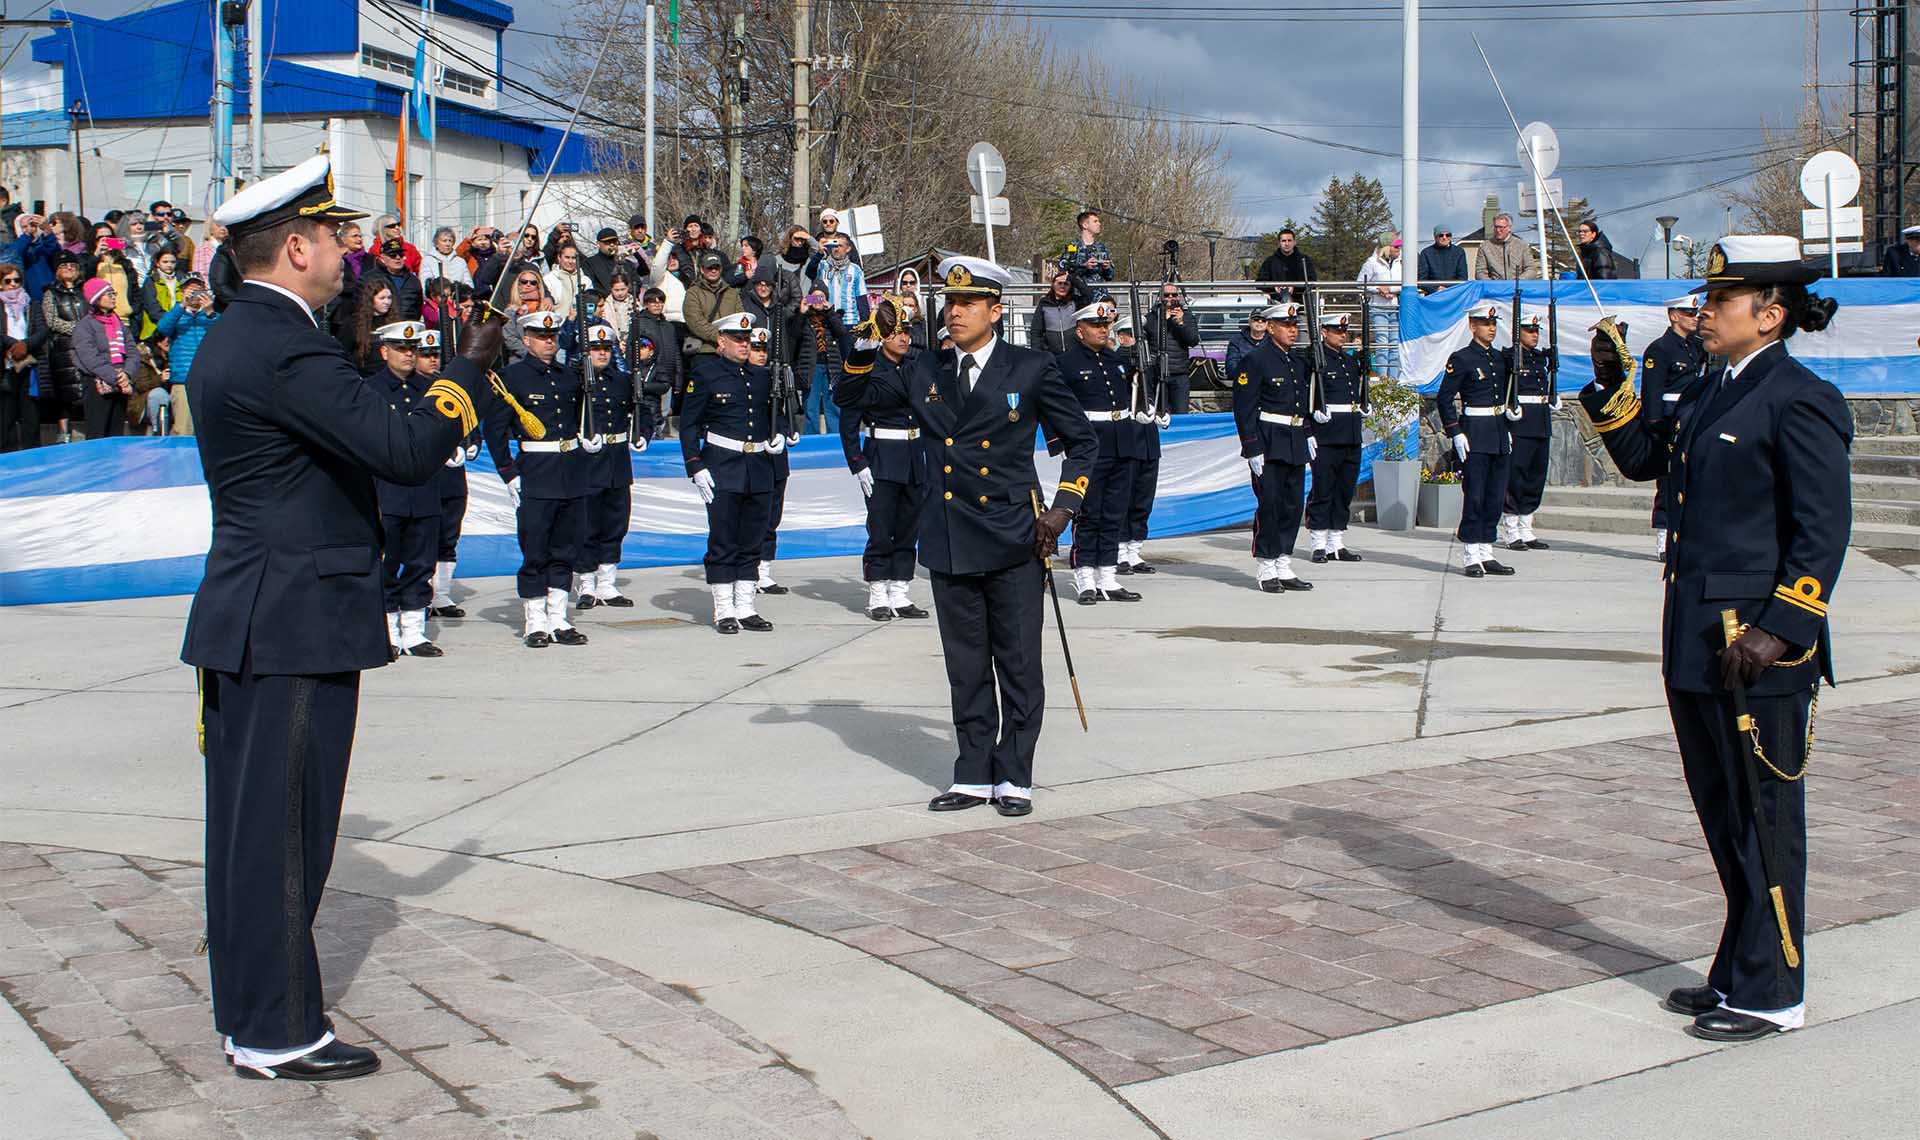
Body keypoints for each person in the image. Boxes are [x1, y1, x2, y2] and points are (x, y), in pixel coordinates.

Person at [184, 154, 495, 1082]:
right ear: (293, 248)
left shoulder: (247, 333)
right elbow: (401, 447)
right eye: (333, 237)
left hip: (264, 610)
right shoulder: (285, 344)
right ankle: (276, 1029)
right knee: (283, 837)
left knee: (255, 832)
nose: (346, 254)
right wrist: (466, 373)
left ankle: (254, 1012)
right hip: (291, 618)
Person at [1579, 235, 1850, 1043]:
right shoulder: (1711, 388)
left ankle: (1775, 992)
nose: (1704, 313)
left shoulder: (1799, 397)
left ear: (1769, 315)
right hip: (1698, 636)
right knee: (1725, 814)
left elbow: (1822, 530)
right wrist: (1611, 388)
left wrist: (1784, 627)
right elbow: (1644, 463)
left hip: (1757, 648)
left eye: (1721, 301)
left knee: (1766, 819)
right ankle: (1739, 966)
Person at [835, 257, 1097, 817]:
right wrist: (866, 341)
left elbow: (1082, 442)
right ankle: (973, 773)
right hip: (950, 536)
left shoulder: (1029, 367)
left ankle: (1015, 774)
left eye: (968, 304)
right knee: (967, 666)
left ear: (995, 312)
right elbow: (850, 399)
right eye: (950, 303)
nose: (955, 313)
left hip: (1014, 536)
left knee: (1018, 663)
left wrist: (1063, 509)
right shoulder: (924, 368)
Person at [485, 310, 591, 648]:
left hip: (570, 472)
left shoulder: (569, 376)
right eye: (541, 337)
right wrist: (508, 472)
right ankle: (535, 621)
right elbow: (495, 430)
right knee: (535, 549)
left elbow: (576, 419)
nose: (548, 341)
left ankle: (558, 618)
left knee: (565, 548)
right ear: (527, 340)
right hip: (535, 472)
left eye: (552, 336)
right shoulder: (512, 377)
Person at [681, 311, 778, 633]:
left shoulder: (761, 377)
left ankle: (745, 606)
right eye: (737, 339)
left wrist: (780, 435)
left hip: (758, 467)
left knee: (752, 539)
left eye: (747, 339)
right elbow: (689, 424)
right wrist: (695, 464)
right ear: (721, 342)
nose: (744, 344)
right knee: (723, 539)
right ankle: (724, 608)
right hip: (722, 466)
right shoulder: (706, 373)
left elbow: (772, 416)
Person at [837, 295, 928, 620]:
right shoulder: (869, 368)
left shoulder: (916, 367)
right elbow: (849, 419)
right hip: (882, 458)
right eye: (897, 332)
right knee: (881, 528)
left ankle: (900, 592)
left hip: (913, 457)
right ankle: (878, 593)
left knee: (908, 529)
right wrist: (857, 462)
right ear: (884, 335)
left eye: (907, 332)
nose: (904, 338)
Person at [364, 320, 447, 658]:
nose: (409, 354)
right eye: (401, 348)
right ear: (385, 351)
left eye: (413, 348)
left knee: (420, 562)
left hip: (424, 489)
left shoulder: (431, 389)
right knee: (386, 563)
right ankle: (387, 630)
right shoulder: (369, 390)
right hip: (387, 491)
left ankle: (414, 632)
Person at [1057, 300, 1147, 604]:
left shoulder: (1116, 360)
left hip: (1121, 442)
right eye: (1095, 325)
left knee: (1114, 512)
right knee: (1088, 513)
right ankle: (1085, 576)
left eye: (1105, 325)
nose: (1102, 330)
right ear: (1079, 330)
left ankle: (1107, 576)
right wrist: (1063, 444)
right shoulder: (1066, 363)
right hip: (1089, 444)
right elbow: (1055, 408)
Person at [1233, 302, 1317, 592]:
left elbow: (1301, 404)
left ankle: (1283, 562)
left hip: (1294, 439)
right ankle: (1266, 566)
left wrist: (1308, 433)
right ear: (1270, 327)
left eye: (1295, 326)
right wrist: (1252, 447)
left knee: (1292, 505)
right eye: (1286, 325)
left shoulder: (1296, 362)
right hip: (1269, 440)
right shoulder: (1255, 360)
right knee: (1270, 504)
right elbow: (1244, 409)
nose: (1293, 331)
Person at [1439, 301, 1515, 578]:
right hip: (1475, 434)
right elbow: (1445, 398)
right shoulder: (1462, 358)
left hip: (1498, 433)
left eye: (1493, 324)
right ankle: (1471, 554)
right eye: (1485, 323)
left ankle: (1486, 552)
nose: (1491, 328)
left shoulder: (1499, 359)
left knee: (1495, 496)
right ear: (1473, 326)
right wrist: (1456, 432)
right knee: (1475, 495)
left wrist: (1509, 421)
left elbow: (1505, 395)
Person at [572, 322, 640, 609]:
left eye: (606, 348)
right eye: (596, 348)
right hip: (587, 463)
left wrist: (643, 433)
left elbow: (641, 410)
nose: (602, 353)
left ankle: (607, 584)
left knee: (615, 523)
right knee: (588, 526)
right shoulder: (574, 381)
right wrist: (579, 437)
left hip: (617, 461)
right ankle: (587, 584)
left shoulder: (622, 381)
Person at [1639, 294, 1710, 561]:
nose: (1694, 318)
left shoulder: (1696, 346)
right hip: (1669, 420)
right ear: (1674, 316)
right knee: (1669, 479)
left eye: (1695, 314)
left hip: (1693, 417)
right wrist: (1654, 425)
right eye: (1688, 314)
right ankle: (1664, 537)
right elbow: (1652, 392)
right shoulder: (1660, 349)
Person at [417, 329, 477, 619]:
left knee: (449, 535)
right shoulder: (414, 391)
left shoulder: (451, 388)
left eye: (436, 354)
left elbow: (470, 421)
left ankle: (441, 594)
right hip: (426, 475)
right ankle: (422, 595)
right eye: (426, 354)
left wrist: (470, 445)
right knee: (423, 537)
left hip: (453, 475)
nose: (432, 359)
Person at [1305, 312, 1366, 563]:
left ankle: (1336, 542)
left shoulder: (1348, 362)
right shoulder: (1315, 359)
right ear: (1324, 332)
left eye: (1344, 331)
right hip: (1327, 435)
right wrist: (1310, 420)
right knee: (1323, 489)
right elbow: (1306, 395)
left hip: (1350, 433)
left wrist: (1363, 405)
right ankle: (1318, 542)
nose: (1342, 335)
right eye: (1337, 331)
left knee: (1344, 490)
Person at [1498, 311, 1560, 552]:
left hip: (1540, 422)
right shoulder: (1509, 357)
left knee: (1536, 477)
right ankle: (1511, 530)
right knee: (1516, 476)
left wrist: (1552, 398)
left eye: (1536, 331)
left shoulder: (1538, 358)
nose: (1534, 335)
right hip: (1521, 425)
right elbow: (1503, 390)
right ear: (1518, 332)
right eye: (1529, 331)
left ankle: (1526, 527)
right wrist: (1507, 412)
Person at [750, 322, 803, 596]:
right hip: (752, 457)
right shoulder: (741, 382)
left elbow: (783, 412)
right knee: (752, 518)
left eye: (763, 349)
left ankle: (763, 570)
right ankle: (747, 569)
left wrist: (786, 432)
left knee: (772, 516)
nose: (760, 354)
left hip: (776, 457)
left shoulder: (777, 377)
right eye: (755, 348)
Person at [1112, 316, 1165, 575]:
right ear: (1121, 337)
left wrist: (1160, 410)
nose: (1137, 341)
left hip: (1147, 437)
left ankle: (1134, 548)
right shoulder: (1115, 363)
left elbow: (1155, 391)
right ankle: (1119, 549)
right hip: (1127, 435)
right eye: (1132, 336)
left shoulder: (1150, 364)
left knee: (1143, 497)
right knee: (1124, 497)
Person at [74, 274, 140, 438]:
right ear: (97, 299)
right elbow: (89, 357)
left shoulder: (118, 323)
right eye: (109, 294)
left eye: (113, 294)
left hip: (120, 384)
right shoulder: (85, 326)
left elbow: (132, 351)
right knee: (98, 432)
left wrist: (127, 374)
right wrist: (115, 376)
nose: (113, 297)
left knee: (116, 433)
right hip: (98, 384)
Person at [41, 251, 88, 441]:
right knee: (65, 391)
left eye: (73, 266)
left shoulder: (84, 291)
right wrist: (77, 329)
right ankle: (64, 433)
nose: (69, 269)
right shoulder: (51, 293)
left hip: (85, 346)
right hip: (62, 348)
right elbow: (51, 320)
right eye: (64, 266)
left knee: (85, 387)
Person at [0, 262, 44, 450]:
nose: (13, 284)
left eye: (16, 280)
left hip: (29, 363)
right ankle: (6, 453)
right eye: (8, 281)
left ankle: (32, 453)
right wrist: (14, 345)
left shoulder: (31, 304)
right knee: (6, 414)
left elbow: (42, 330)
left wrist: (25, 345)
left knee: (30, 413)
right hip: (6, 365)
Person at [1143, 283, 1199, 414]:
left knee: (1181, 415)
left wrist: (1181, 323)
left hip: (1180, 374)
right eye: (1166, 295)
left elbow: (1193, 341)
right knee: (1159, 415)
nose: (1170, 298)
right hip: (1157, 374)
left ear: (1178, 297)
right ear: (1161, 297)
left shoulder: (1187, 316)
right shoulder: (1151, 317)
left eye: (1174, 295)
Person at [682, 250, 742, 357]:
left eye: (716, 267)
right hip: (704, 351)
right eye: (709, 268)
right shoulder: (693, 292)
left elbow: (740, 318)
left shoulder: (732, 293)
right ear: (702, 269)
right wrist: (719, 337)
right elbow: (695, 322)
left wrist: (731, 340)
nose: (713, 271)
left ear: (721, 269)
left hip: (730, 350)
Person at [1356, 238, 1401, 376]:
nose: (1399, 249)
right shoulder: (1371, 262)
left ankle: (1393, 379)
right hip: (1377, 307)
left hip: (1395, 306)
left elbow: (1404, 283)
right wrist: (1378, 289)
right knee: (1382, 343)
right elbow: (1360, 283)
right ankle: (1383, 378)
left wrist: (1392, 290)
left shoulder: (1400, 262)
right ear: (1387, 247)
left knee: (1394, 344)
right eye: (1396, 246)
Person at [341, 277, 397, 374]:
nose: (387, 302)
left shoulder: (395, 321)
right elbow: (344, 351)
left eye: (389, 298)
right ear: (371, 299)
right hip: (363, 374)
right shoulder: (355, 322)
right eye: (382, 298)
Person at [1058, 209, 1114, 301]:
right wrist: (1084, 266)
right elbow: (1063, 269)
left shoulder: (1102, 247)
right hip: (1078, 297)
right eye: (1095, 221)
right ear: (1085, 225)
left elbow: (1110, 276)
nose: (1099, 224)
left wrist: (1106, 268)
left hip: (1100, 297)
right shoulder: (1072, 247)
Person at [362, 238, 424, 320]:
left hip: (407, 325)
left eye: (401, 255)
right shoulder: (370, 278)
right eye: (393, 255)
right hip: (381, 325)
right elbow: (363, 305)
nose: (398, 258)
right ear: (382, 259)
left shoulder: (413, 280)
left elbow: (418, 306)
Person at [1474, 213, 1541, 280]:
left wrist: (1518, 281)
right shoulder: (1485, 247)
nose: (1498, 230)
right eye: (1495, 227)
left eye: (1501, 227)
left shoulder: (1522, 245)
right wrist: (1492, 284)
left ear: (1509, 228)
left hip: (1518, 285)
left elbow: (1531, 269)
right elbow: (1480, 272)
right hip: (1494, 285)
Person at [1026, 270, 1079, 355]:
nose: (1062, 287)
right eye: (1059, 283)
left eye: (1066, 284)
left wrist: (1072, 278)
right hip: (1051, 355)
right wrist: (1037, 355)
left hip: (1074, 353)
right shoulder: (1044, 303)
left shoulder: (1075, 301)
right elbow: (1036, 331)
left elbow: (1088, 296)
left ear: (1070, 287)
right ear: (1053, 285)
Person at [1255, 227, 1316, 300]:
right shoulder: (1269, 262)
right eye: (1283, 241)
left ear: (1294, 242)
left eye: (1289, 240)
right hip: (1276, 303)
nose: (1287, 244)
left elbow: (1312, 282)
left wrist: (1294, 287)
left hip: (1300, 303)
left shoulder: (1305, 260)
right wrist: (1274, 287)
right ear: (1279, 243)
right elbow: (1259, 283)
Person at [140, 250, 184, 341]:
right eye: (165, 262)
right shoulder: (151, 281)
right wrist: (169, 321)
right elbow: (152, 307)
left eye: (172, 262)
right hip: (156, 330)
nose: (169, 265)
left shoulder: (183, 280)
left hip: (179, 327)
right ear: (157, 263)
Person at [1417, 224, 1468, 293]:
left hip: (1455, 294)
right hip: (1434, 295)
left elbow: (1463, 277)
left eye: (1448, 235)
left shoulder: (1459, 252)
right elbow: (1422, 279)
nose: (1444, 237)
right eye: (1441, 235)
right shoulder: (1426, 253)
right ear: (1435, 237)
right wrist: (1435, 289)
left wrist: (1450, 289)